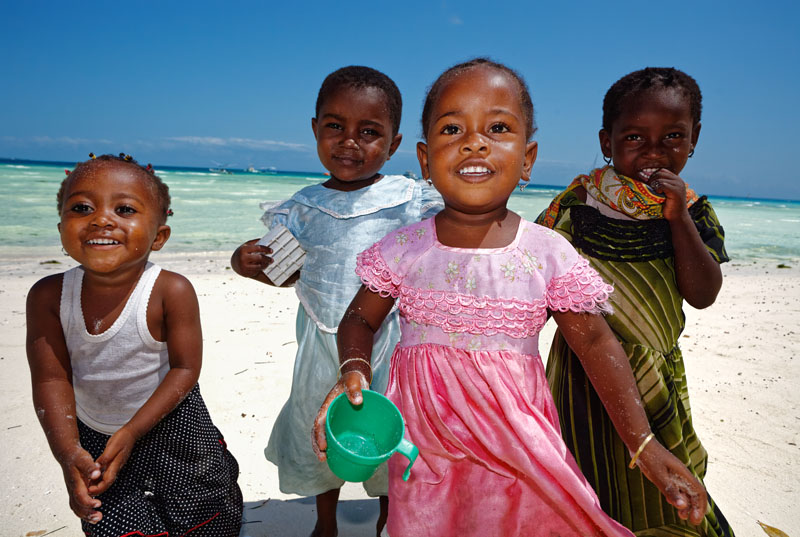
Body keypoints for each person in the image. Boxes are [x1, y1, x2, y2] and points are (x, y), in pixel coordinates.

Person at [312, 58, 709, 537]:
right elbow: (359, 318)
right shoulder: (403, 248)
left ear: (527, 159)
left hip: (520, 446)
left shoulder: (546, 252)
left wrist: (644, 443)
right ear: (424, 159)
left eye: (497, 127)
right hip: (426, 447)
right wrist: (352, 370)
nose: (474, 142)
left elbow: (598, 346)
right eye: (453, 128)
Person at [231, 66, 442, 537]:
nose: (350, 142)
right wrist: (243, 262)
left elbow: (436, 250)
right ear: (315, 129)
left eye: (369, 132)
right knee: (319, 429)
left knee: (387, 433)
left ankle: (391, 523)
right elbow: (286, 274)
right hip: (319, 340)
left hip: (387, 340)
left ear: (393, 142)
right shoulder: (303, 206)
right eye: (335, 127)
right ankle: (324, 522)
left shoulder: (409, 199)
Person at [536, 67, 734, 536]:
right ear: (606, 141)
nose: (653, 151)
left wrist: (678, 218)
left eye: (672, 137)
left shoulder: (695, 209)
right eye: (634, 137)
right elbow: (533, 282)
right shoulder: (575, 206)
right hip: (579, 375)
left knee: (664, 483)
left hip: (654, 378)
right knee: (581, 483)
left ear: (694, 139)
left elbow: (703, 294)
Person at [26, 153, 243, 537]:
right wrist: (68, 453)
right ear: (61, 229)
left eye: (124, 208)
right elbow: (50, 380)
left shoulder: (169, 291)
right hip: (94, 432)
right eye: (82, 207)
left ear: (158, 236)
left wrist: (131, 430)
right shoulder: (48, 296)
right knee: (113, 520)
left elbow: (185, 370)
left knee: (200, 512)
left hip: (174, 423)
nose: (101, 219)